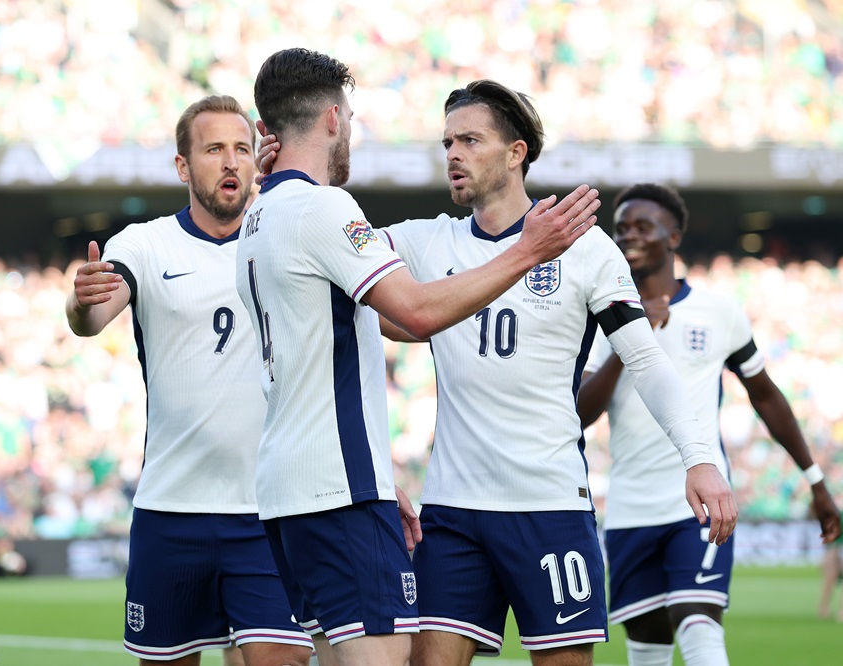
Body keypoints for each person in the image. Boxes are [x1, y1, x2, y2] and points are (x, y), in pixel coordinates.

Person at [254, 78, 737, 666]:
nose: (454, 154)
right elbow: (315, 250)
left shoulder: (583, 248)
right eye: (448, 142)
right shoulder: (425, 242)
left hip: (549, 504)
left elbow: (646, 360)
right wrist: (282, 187)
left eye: (470, 140)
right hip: (454, 510)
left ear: (516, 154)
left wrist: (700, 458)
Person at [238, 48, 603, 666]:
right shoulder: (325, 209)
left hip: (292, 490)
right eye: (349, 117)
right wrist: (527, 251)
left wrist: (381, 479)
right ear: (331, 118)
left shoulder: (259, 215)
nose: (350, 129)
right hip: (339, 492)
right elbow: (418, 314)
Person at [65, 94, 314, 665]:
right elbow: (93, 317)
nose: (230, 162)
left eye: (241, 149)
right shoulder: (145, 243)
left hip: (267, 512)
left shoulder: (287, 239)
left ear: (258, 160)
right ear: (183, 166)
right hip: (171, 511)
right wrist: (83, 304)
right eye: (213, 149)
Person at [577, 183, 841, 666]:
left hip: (699, 502)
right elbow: (580, 412)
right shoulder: (599, 317)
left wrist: (815, 479)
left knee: (698, 625)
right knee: (647, 649)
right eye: (622, 229)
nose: (629, 236)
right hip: (631, 508)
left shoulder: (718, 312)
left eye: (643, 226)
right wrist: (628, 339)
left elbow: (766, 395)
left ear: (673, 236)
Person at [818, 518, 843, 621]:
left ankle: (837, 611)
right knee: (830, 579)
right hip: (836, 549)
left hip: (835, 549)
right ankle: (824, 608)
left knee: (829, 580)